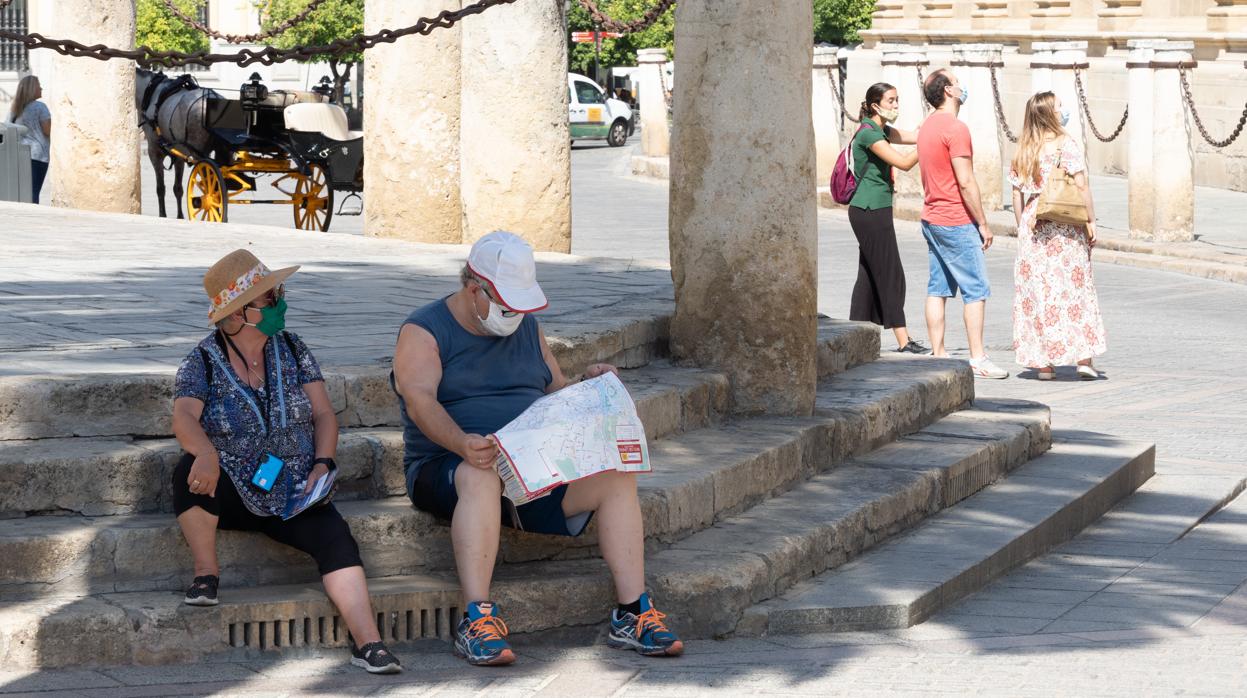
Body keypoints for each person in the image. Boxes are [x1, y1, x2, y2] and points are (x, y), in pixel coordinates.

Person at [391, 231, 684, 667]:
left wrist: (590, 386)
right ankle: (476, 618)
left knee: (617, 477)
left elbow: (555, 393)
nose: (516, 315)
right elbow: (420, 401)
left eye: (522, 307)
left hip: (529, 466)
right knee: (480, 474)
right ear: (475, 289)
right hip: (448, 465)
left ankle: (632, 612)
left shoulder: (527, 326)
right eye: (508, 305)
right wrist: (462, 443)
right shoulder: (424, 330)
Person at [172, 249, 402, 674]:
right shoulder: (202, 359)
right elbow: (184, 415)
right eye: (269, 297)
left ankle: (368, 643)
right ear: (240, 314)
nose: (280, 302)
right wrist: (205, 452)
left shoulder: (294, 348)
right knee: (187, 472)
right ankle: (206, 574)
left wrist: (323, 463)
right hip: (235, 485)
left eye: (278, 292)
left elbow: (323, 414)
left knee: (336, 537)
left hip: (293, 487)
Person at [916, 69, 1009, 379]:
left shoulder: (927, 126)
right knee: (976, 289)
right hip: (955, 218)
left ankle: (938, 352)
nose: (961, 85)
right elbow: (966, 181)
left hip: (931, 216)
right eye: (956, 81)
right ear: (948, 91)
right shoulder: (955, 129)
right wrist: (982, 222)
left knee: (938, 287)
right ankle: (978, 357)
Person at [1008, 92, 1106, 380]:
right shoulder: (1067, 145)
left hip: (1035, 222)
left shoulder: (1024, 148)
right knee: (1075, 289)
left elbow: (1017, 192)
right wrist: (1091, 220)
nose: (1064, 111)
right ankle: (1083, 359)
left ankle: (1043, 365)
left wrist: (1022, 226)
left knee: (1037, 292)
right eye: (1060, 106)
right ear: (1051, 113)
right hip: (1064, 221)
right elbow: (1082, 185)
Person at [847, 82, 929, 354]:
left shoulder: (882, 130)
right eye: (891, 101)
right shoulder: (869, 134)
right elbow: (904, 163)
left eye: (897, 100)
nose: (896, 105)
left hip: (874, 209)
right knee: (890, 274)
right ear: (875, 105)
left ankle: (854, 336)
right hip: (869, 210)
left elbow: (915, 136)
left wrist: (934, 123)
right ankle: (903, 340)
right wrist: (929, 140)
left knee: (869, 274)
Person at [7, 75, 51, 204]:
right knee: (33, 191)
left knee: (20, 191)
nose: (41, 88)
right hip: (37, 155)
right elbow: (47, 130)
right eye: (39, 86)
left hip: (19, 154)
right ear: (32, 89)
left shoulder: (15, 108)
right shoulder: (40, 107)